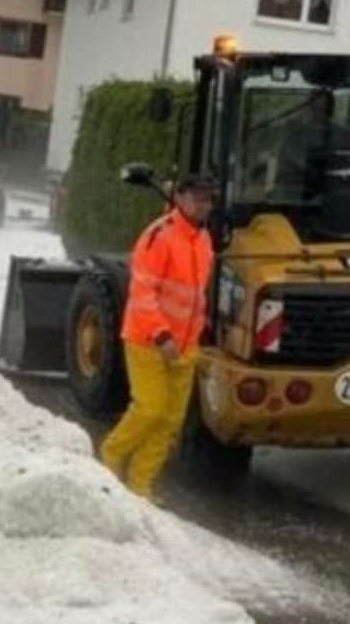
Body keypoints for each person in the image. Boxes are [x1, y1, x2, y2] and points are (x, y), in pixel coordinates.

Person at [99, 174, 216, 503]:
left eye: (207, 199)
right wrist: (161, 334)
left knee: (170, 422)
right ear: (179, 198)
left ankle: (140, 484)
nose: (203, 204)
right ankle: (110, 456)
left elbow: (195, 294)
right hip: (148, 340)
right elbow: (142, 291)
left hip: (184, 346)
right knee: (149, 409)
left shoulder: (203, 239)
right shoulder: (159, 236)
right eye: (196, 197)